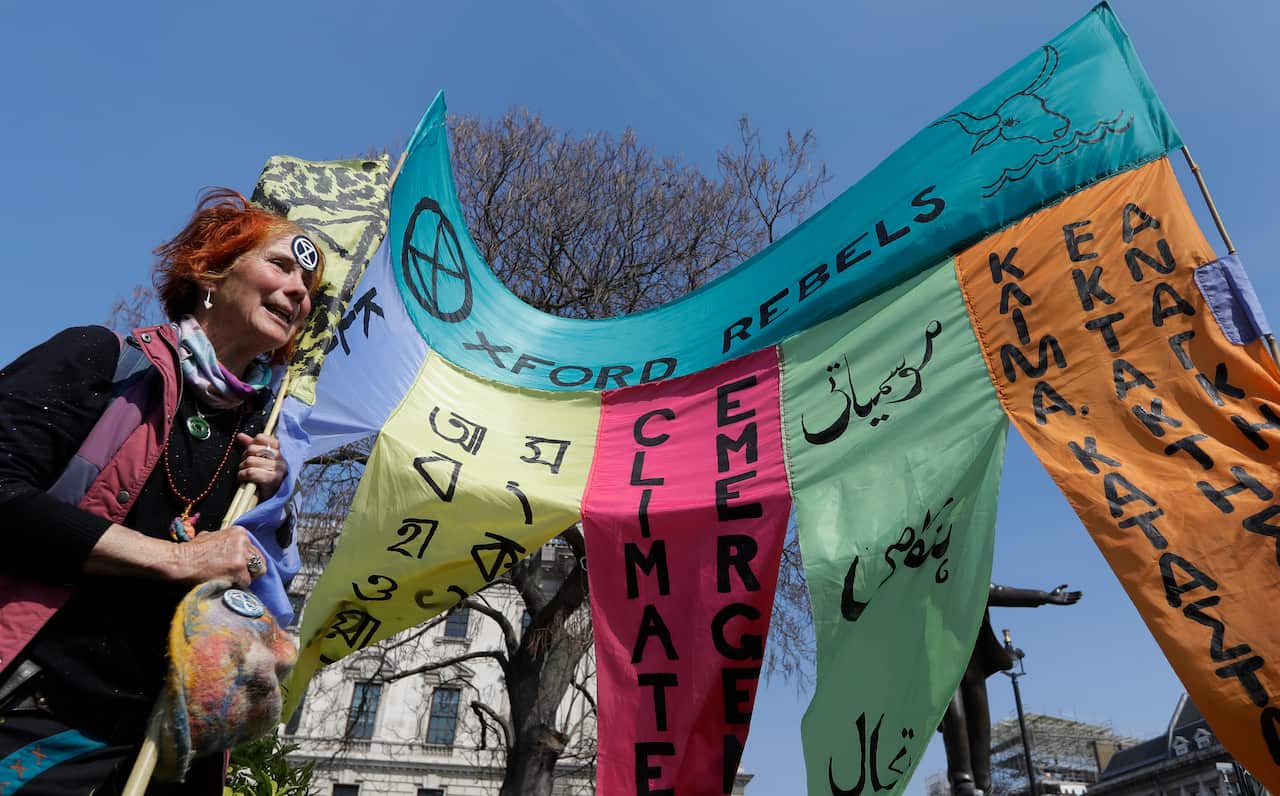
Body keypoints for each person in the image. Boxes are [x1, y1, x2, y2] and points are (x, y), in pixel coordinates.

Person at [0, 188, 324, 794]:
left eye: (308, 284)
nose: (299, 290)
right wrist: (176, 558)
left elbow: (264, 601)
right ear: (211, 269)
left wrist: (276, 507)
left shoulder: (263, 442)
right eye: (280, 265)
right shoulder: (102, 363)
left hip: (167, 756)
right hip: (36, 723)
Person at [940, 583, 1082, 796]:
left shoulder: (963, 566)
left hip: (970, 654)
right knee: (955, 716)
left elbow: (992, 590)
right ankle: (963, 783)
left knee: (979, 722)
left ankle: (983, 784)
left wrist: (1043, 596)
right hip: (937, 655)